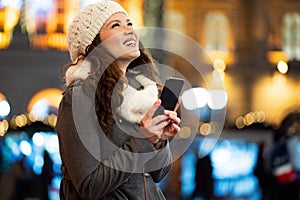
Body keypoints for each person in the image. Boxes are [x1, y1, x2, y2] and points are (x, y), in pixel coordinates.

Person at [55, 1, 181, 200]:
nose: (129, 30)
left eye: (129, 23)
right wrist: (143, 138)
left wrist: (158, 140)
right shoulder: (79, 96)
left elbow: (157, 174)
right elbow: (89, 186)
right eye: (115, 25)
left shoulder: (140, 96)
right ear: (93, 44)